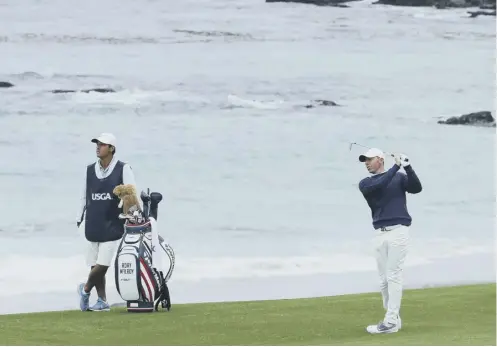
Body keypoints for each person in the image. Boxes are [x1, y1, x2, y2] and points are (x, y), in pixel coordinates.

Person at [357, 148, 422, 334]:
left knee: (393, 276)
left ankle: (391, 320)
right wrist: (396, 166)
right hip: (379, 234)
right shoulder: (365, 184)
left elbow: (416, 189)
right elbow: (382, 185)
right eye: (365, 161)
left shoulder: (400, 177)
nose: (366, 163)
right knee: (383, 281)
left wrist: (408, 167)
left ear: (380, 159)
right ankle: (393, 320)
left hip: (398, 232)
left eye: (369, 160)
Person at [76, 132, 140, 312]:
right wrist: (79, 219)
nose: (98, 146)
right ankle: (102, 301)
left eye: (102, 144)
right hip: (91, 222)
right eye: (97, 143)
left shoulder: (123, 168)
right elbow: (84, 196)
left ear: (111, 148)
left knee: (102, 264)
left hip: (113, 223)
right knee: (94, 263)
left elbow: (131, 195)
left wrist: (133, 215)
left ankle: (85, 289)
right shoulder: (89, 170)